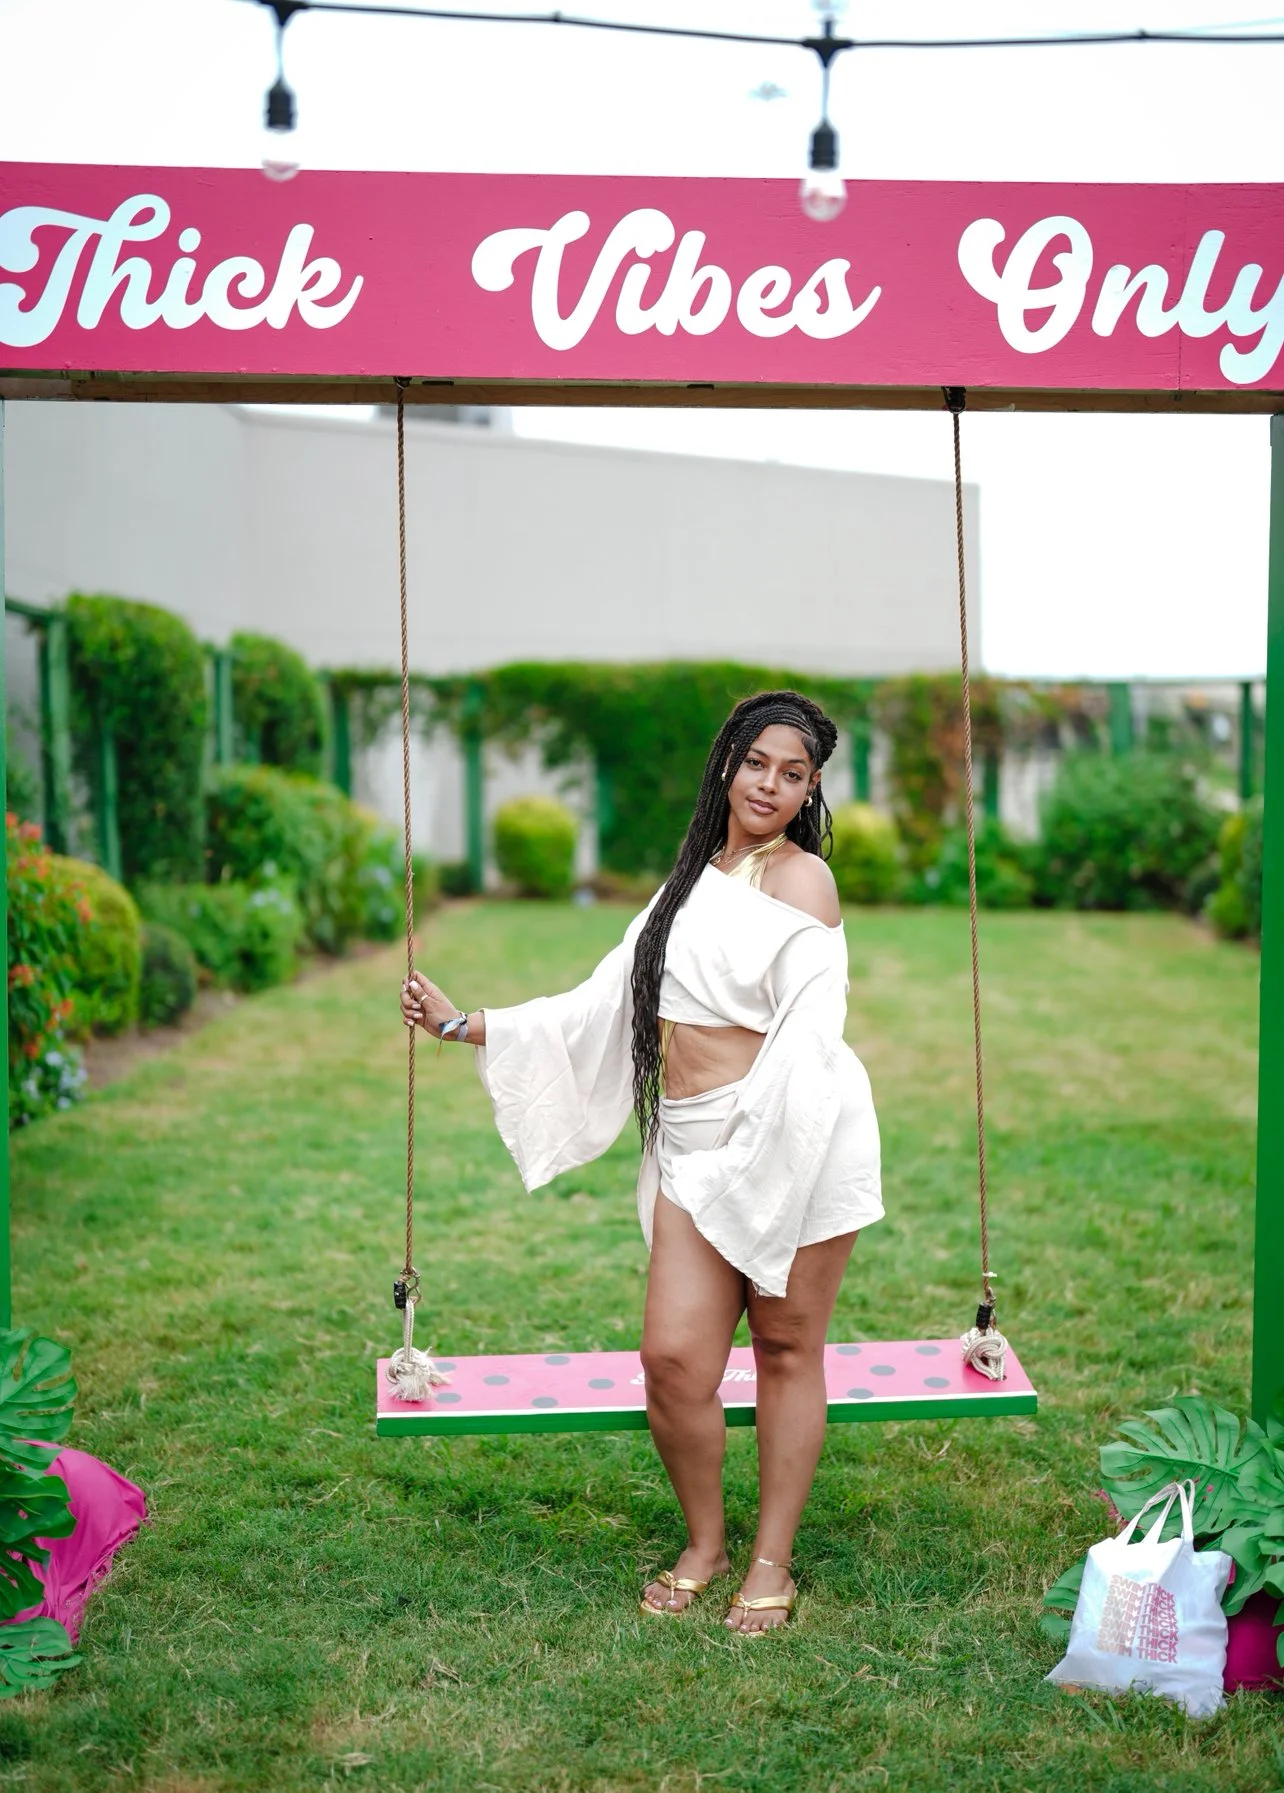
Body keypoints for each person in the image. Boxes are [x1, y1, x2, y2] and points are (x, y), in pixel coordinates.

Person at [399, 690, 883, 1633]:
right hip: (693, 1146)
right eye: (757, 763)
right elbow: (604, 1002)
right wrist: (465, 1024)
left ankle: (770, 1560)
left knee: (786, 1349)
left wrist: (761, 1157)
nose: (770, 785)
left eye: (793, 774)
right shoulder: (691, 878)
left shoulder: (802, 883)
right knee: (671, 1358)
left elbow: (811, 1040)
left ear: (810, 788)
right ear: (728, 761)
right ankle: (704, 1539)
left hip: (796, 1143)